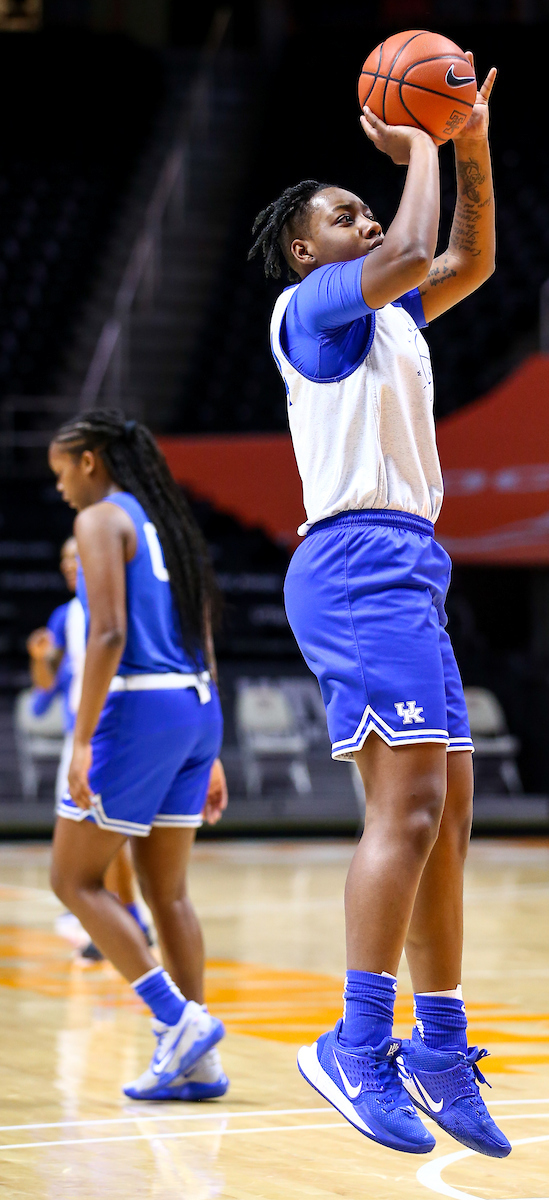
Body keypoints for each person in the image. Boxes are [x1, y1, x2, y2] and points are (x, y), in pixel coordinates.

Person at [250, 56, 509, 1157]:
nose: (364, 217)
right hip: (355, 562)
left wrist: (470, 139)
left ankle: (438, 1048)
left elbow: (464, 257)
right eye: (339, 212)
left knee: (448, 822)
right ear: (308, 248)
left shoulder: (394, 321)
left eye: (365, 203)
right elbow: (410, 246)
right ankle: (356, 1045)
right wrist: (415, 148)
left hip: (410, 562)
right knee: (402, 815)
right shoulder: (310, 303)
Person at [47, 409, 229, 1101]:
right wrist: (211, 748)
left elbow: (108, 634)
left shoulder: (100, 521)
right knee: (169, 892)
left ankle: (175, 1019)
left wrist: (85, 736)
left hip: (139, 706)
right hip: (195, 703)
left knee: (73, 881)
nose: (61, 488)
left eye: (62, 472)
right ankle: (199, 1059)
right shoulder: (168, 524)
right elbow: (203, 628)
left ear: (90, 461)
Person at [28, 537, 151, 962]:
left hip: (112, 730)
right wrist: (38, 658)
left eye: (76, 557)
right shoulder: (65, 617)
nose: (69, 565)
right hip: (79, 736)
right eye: (64, 559)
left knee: (108, 830)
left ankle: (124, 919)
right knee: (94, 830)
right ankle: (122, 918)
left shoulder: (119, 606)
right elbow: (45, 686)